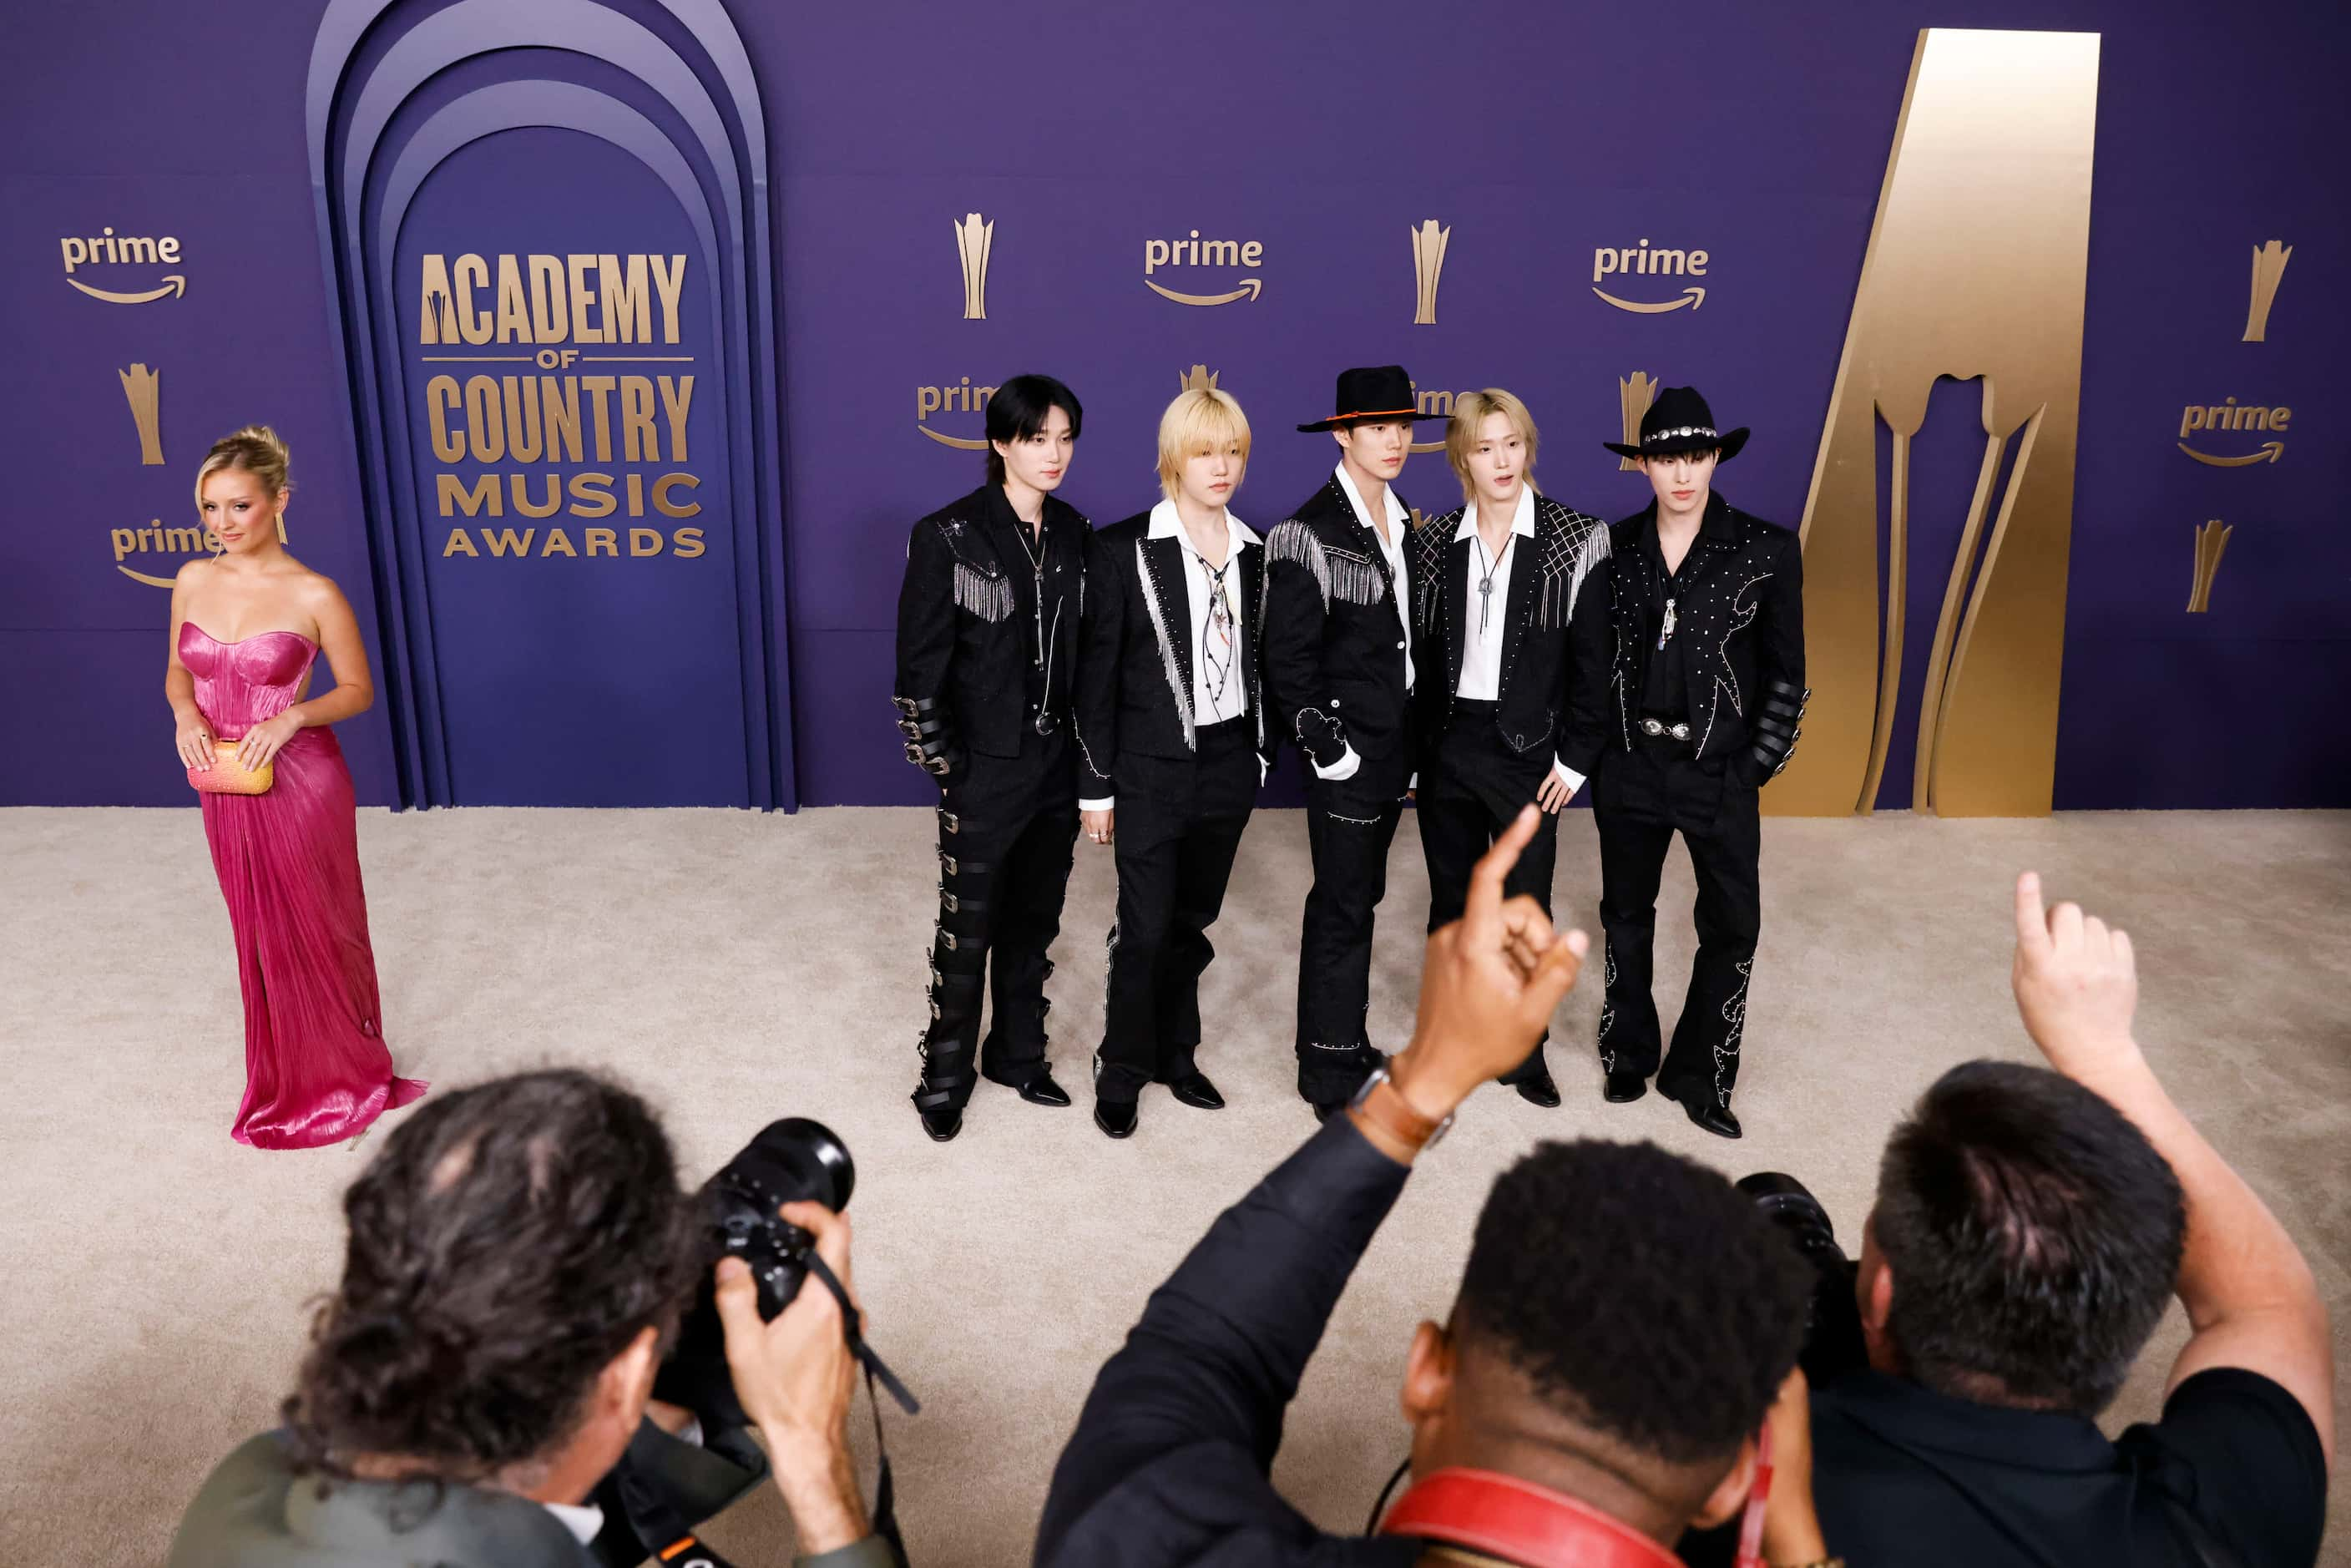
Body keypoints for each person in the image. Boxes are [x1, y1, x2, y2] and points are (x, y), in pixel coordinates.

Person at [1036, 807, 1837, 1568]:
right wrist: (1799, 1545)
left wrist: (1424, 1080)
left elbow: (1191, 1356)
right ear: (1741, 1474)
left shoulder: (1133, 1542)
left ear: (1425, 1374)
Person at [1797, 873, 2334, 1566]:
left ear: (1880, 1293)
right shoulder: (2227, 1527)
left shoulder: (1709, 1483)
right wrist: (2106, 1054)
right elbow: (2267, 1306)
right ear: (2132, 1321)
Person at [167, 1070, 891, 1567]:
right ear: (627, 1375)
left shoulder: (247, 1480)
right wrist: (814, 1455)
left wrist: (661, 1404)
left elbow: (501, 1527)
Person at [164, 425, 424, 1149]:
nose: (222, 524)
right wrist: (185, 712)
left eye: (238, 506)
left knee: (316, 921)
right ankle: (284, 1070)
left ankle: (343, 1073)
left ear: (278, 501)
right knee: (255, 926)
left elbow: (359, 690)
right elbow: (178, 670)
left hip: (302, 777)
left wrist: (292, 717)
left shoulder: (315, 592)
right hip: (223, 775)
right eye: (210, 508)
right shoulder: (192, 578)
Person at [1560, 387, 1806, 1139]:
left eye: (1695, 456)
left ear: (1716, 458)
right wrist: (1596, 758)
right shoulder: (1614, 546)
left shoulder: (1765, 548)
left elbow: (1787, 675)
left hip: (1717, 771)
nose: (1683, 473)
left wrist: (1752, 767)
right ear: (1643, 466)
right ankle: (1627, 1051)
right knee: (1626, 916)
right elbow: (1590, 664)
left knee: (1732, 925)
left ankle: (1704, 1075)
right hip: (1631, 765)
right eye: (1666, 458)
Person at [1074, 387, 1278, 1138]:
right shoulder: (1122, 548)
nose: (1221, 467)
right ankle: (1120, 1065)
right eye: (1204, 451)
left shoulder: (1259, 552)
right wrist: (1095, 787)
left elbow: (1271, 664)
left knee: (1193, 923)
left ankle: (1175, 1054)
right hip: (1149, 767)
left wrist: (1260, 750)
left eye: (1232, 451)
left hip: (1228, 763)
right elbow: (1094, 680)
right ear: (1172, 459)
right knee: (1146, 925)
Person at [892, 375, 1090, 1141]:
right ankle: (945, 1075)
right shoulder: (947, 534)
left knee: (1034, 924)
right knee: (966, 929)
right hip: (984, 770)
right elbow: (919, 669)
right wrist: (951, 769)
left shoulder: (1076, 532)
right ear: (1000, 442)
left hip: (1056, 769)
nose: (1054, 453)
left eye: (1065, 437)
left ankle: (1018, 1054)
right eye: (1037, 437)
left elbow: (1090, 657)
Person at [1405, 389, 1610, 1108]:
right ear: (1462, 457)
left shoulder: (1575, 539)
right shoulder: (1430, 544)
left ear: (1529, 449)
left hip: (1531, 749)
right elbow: (1421, 663)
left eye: (1513, 444)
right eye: (1485, 447)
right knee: (1452, 902)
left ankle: (1524, 1051)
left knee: (1524, 904)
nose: (1501, 460)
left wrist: (1576, 758)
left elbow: (1595, 663)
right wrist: (1412, 751)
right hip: (1449, 741)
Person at [1261, 366, 1447, 1119]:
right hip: (1349, 754)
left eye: (1403, 424)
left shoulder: (1407, 522)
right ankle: (1325, 1068)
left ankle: (1345, 1039)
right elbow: (1288, 665)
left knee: (1363, 895)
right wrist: (1332, 753)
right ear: (1342, 435)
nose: (1395, 439)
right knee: (1342, 902)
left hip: (1398, 746)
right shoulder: (1305, 534)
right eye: (1377, 427)